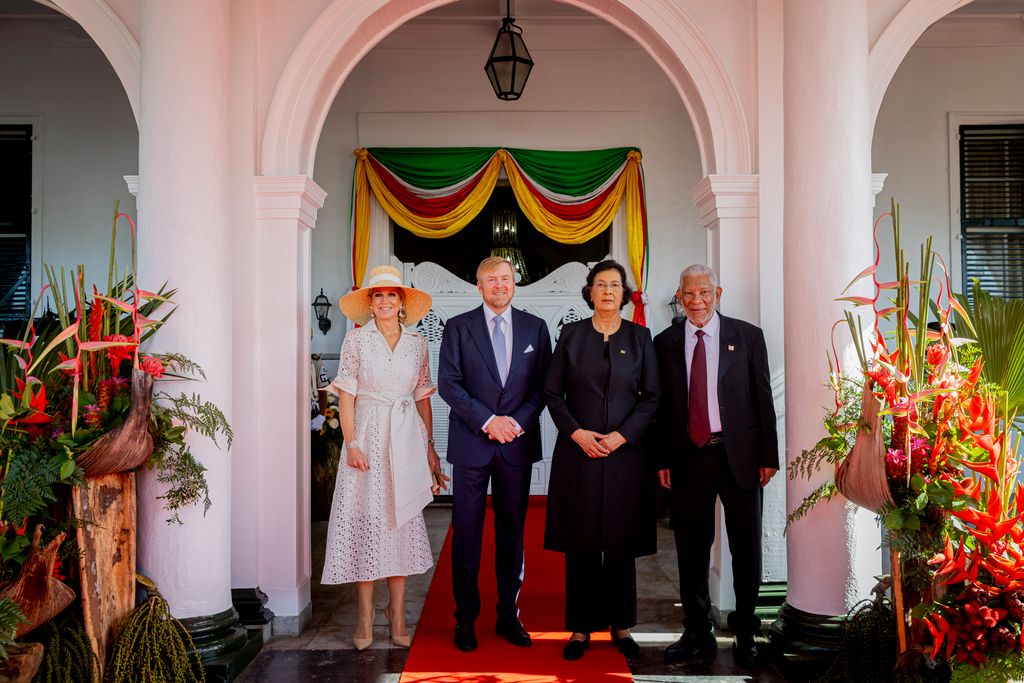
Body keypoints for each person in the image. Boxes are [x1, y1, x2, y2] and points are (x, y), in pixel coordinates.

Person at [654, 264, 779, 667]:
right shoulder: (665, 343)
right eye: (688, 294)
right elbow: (661, 409)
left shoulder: (747, 337)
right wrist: (662, 459)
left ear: (717, 293)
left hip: (738, 456)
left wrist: (768, 456)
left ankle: (745, 632)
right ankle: (697, 632)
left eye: (704, 293)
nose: (697, 301)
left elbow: (763, 399)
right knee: (690, 548)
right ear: (680, 296)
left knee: (746, 548)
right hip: (688, 456)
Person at [321, 265, 448, 651]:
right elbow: (345, 394)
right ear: (370, 303)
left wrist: (429, 448)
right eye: (378, 295)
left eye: (392, 295)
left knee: (401, 523)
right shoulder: (356, 342)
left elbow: (423, 397)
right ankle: (365, 614)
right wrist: (352, 442)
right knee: (367, 524)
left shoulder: (417, 344)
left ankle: (397, 613)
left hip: (406, 437)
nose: (386, 301)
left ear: (402, 302)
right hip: (368, 437)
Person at [543, 260, 660, 662]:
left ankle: (622, 624)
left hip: (626, 454)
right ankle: (580, 627)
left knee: (621, 540)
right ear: (590, 292)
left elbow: (652, 397)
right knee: (583, 540)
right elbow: (552, 393)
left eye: (615, 285)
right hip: (579, 453)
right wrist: (576, 432)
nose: (608, 291)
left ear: (624, 294)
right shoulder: (571, 336)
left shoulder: (640, 337)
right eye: (600, 284)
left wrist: (622, 435)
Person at [437, 256, 552, 652]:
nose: (499, 285)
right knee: (466, 534)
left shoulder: (535, 328)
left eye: (505, 279)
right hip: (472, 444)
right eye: (492, 280)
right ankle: (465, 619)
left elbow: (543, 387)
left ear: (514, 283)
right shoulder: (457, 328)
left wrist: (515, 423)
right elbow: (449, 385)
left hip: (516, 446)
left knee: (512, 533)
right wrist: (489, 422)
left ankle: (509, 615)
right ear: (479, 284)